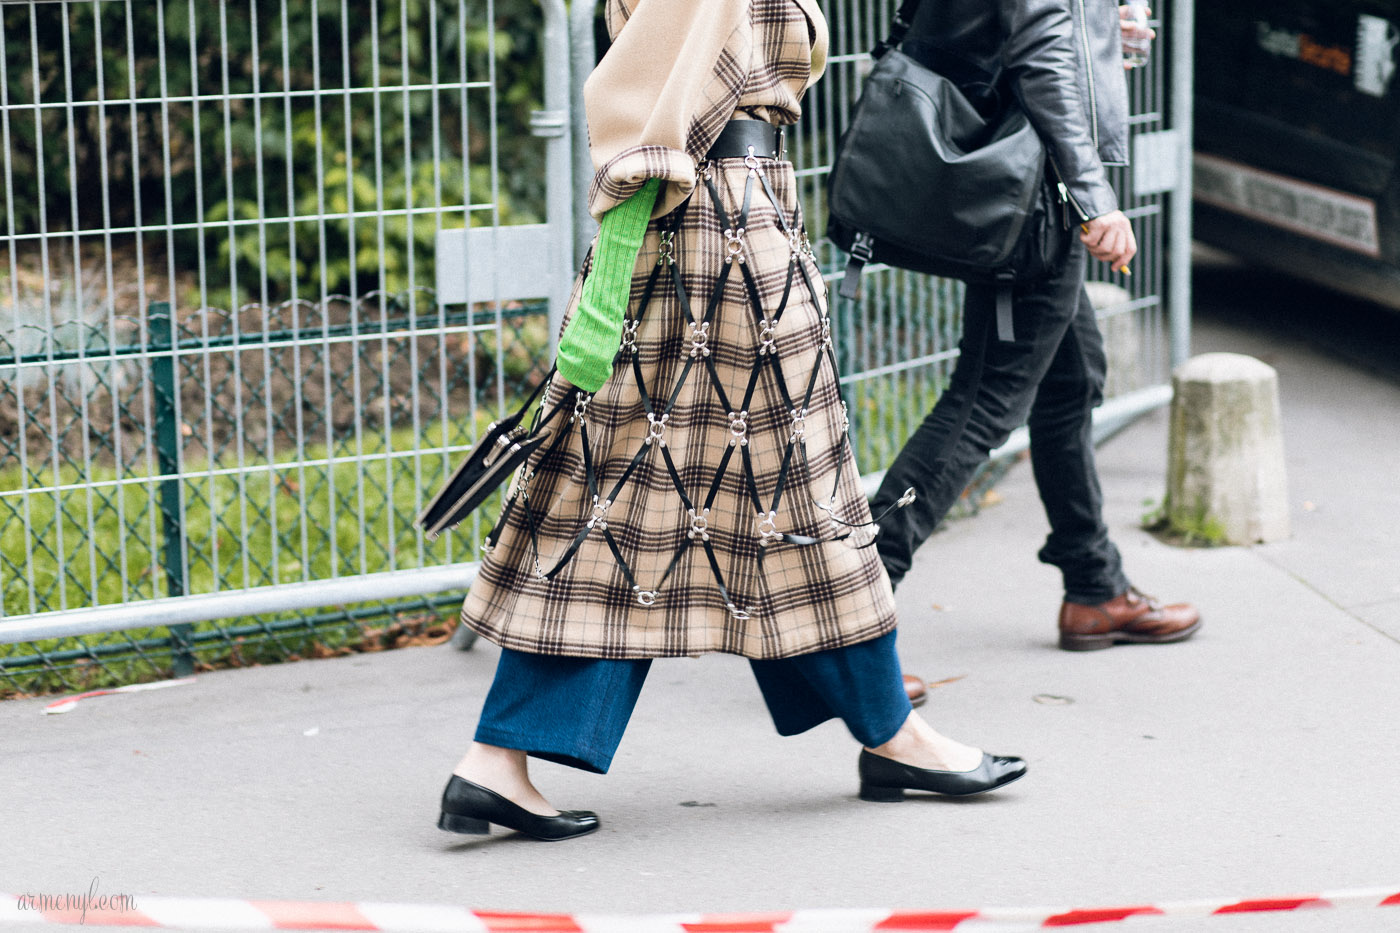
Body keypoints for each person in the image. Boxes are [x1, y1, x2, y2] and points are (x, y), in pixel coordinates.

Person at [435, 0, 1025, 842]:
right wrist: (605, 298)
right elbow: (649, 109)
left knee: (647, 503)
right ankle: (894, 734)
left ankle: (500, 757)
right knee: (784, 500)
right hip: (718, 242)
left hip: (719, 229)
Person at [871, 0, 1202, 653]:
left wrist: (1099, 29)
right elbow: (1042, 57)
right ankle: (852, 598)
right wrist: (1093, 196)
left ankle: (1093, 587)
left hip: (1019, 176)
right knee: (983, 403)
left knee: (1071, 380)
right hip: (1034, 192)